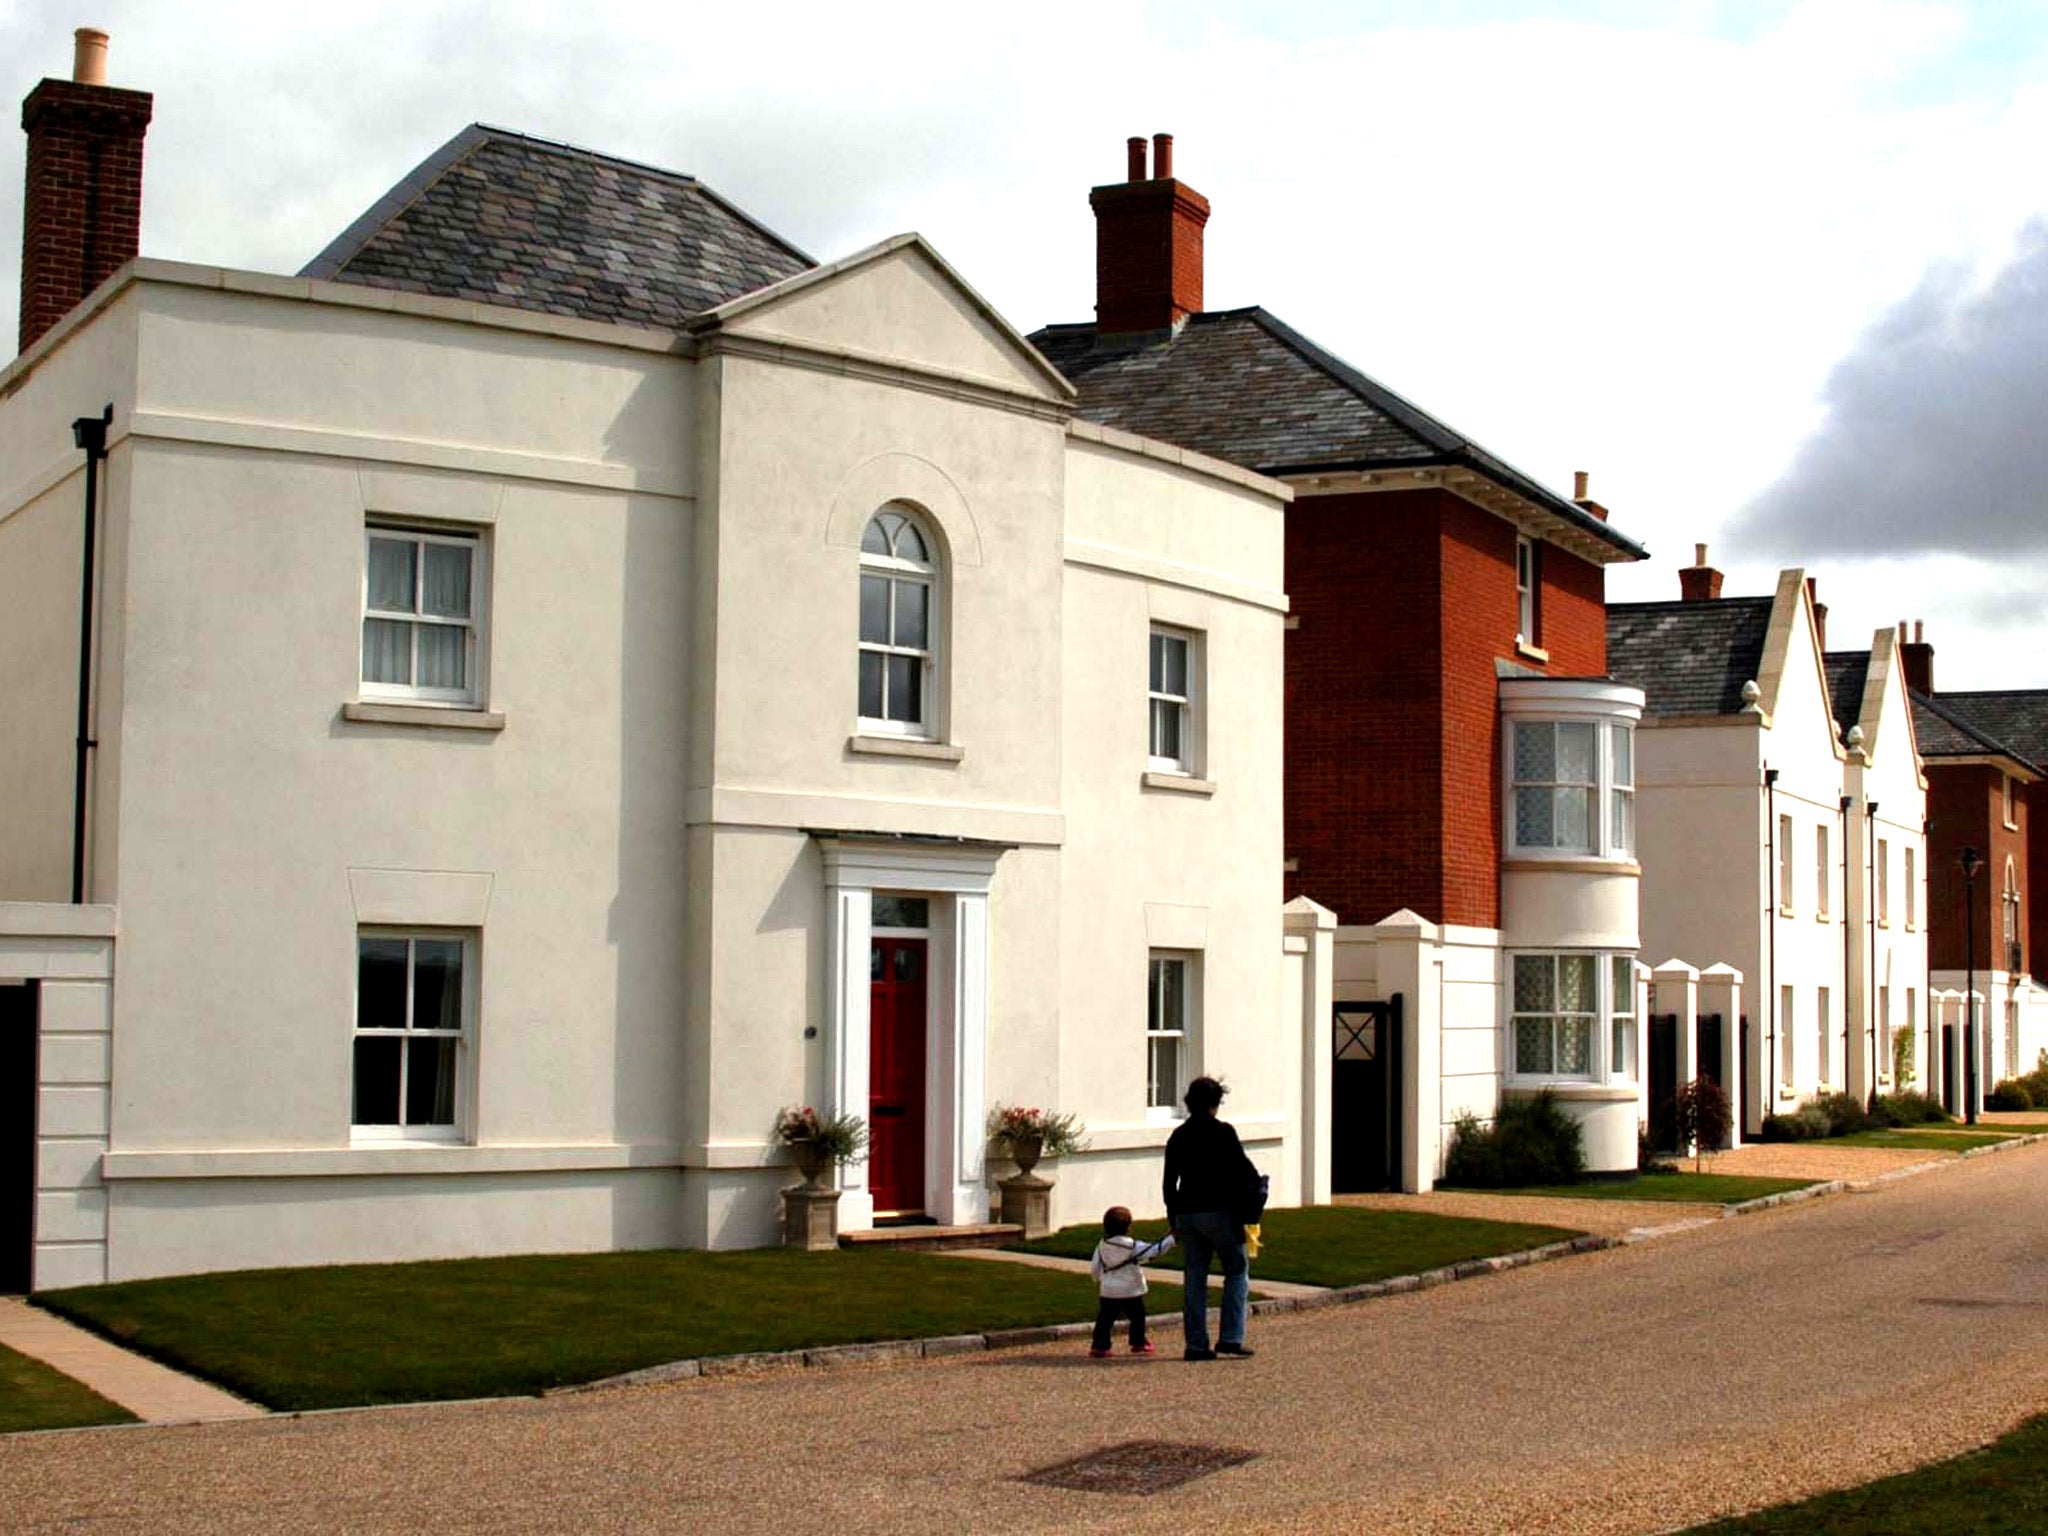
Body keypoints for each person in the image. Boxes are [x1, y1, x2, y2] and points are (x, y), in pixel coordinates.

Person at [1163, 1074, 1258, 1361]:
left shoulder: (1178, 1136)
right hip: (1221, 1212)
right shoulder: (1223, 1132)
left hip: (1188, 1213)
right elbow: (1244, 1171)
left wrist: (1173, 1219)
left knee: (1194, 1278)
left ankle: (1196, 1344)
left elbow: (1169, 1184)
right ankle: (1230, 1336)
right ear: (1215, 1104)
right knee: (1236, 1271)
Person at [1087, 1205, 1173, 1357]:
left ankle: (1100, 1344)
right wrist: (1171, 1238)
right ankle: (1138, 1341)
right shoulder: (1132, 1246)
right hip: (1131, 1290)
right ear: (1128, 1227)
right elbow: (1155, 1250)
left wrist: (1099, 1279)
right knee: (1137, 1317)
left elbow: (1095, 1267)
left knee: (1105, 1319)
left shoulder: (1101, 1246)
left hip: (1109, 1291)